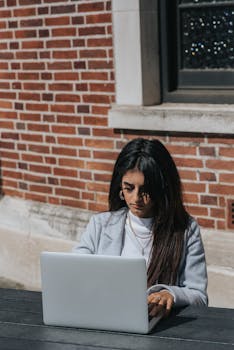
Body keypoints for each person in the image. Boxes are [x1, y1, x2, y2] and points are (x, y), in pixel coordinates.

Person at [73, 138, 208, 318]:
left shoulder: (185, 230)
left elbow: (199, 295)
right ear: (119, 186)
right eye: (129, 188)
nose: (136, 198)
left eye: (145, 190)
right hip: (104, 317)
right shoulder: (100, 225)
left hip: (157, 328)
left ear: (162, 188)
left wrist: (171, 295)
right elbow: (74, 271)